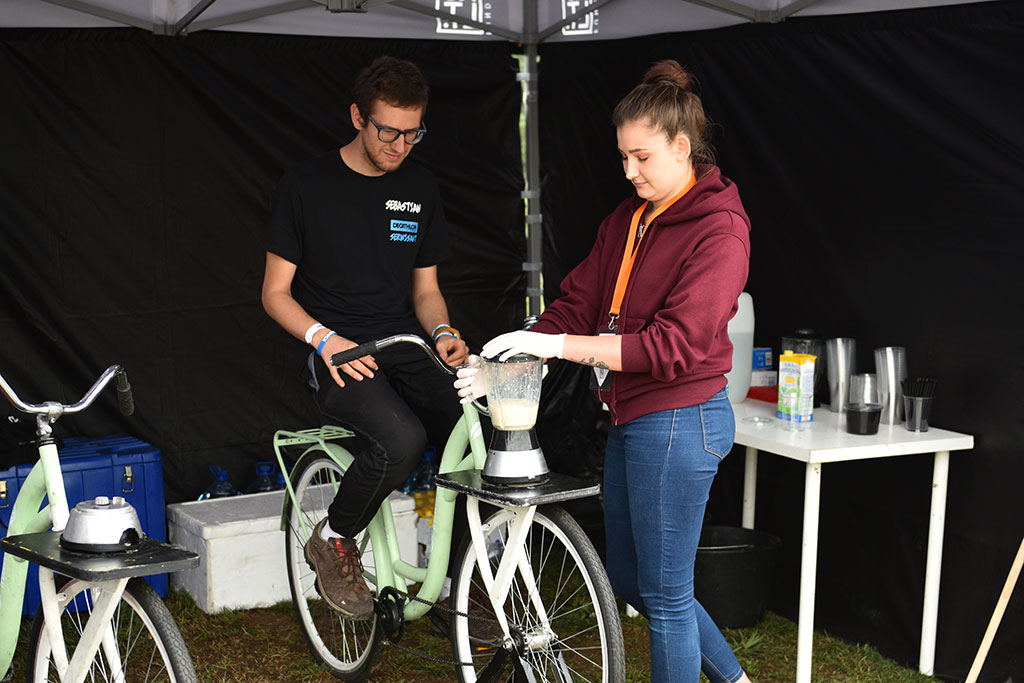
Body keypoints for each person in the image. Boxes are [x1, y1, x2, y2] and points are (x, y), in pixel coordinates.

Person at [456, 59, 754, 682]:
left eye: (642, 157)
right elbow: (577, 303)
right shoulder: (628, 218)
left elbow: (672, 347)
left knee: (666, 597)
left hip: (680, 420)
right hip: (632, 417)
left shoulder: (720, 230)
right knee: (629, 578)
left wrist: (562, 348)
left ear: (682, 147)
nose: (629, 171)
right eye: (623, 157)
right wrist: (513, 358)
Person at [262, 55, 468, 620]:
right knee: (401, 439)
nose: (400, 145)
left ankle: (463, 574)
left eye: (412, 133)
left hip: (405, 344)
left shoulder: (420, 186)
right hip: (336, 352)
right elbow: (274, 293)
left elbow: (426, 290)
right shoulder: (305, 185)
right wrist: (324, 340)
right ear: (358, 117)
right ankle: (333, 536)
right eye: (388, 132)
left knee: (476, 424)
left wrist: (444, 332)